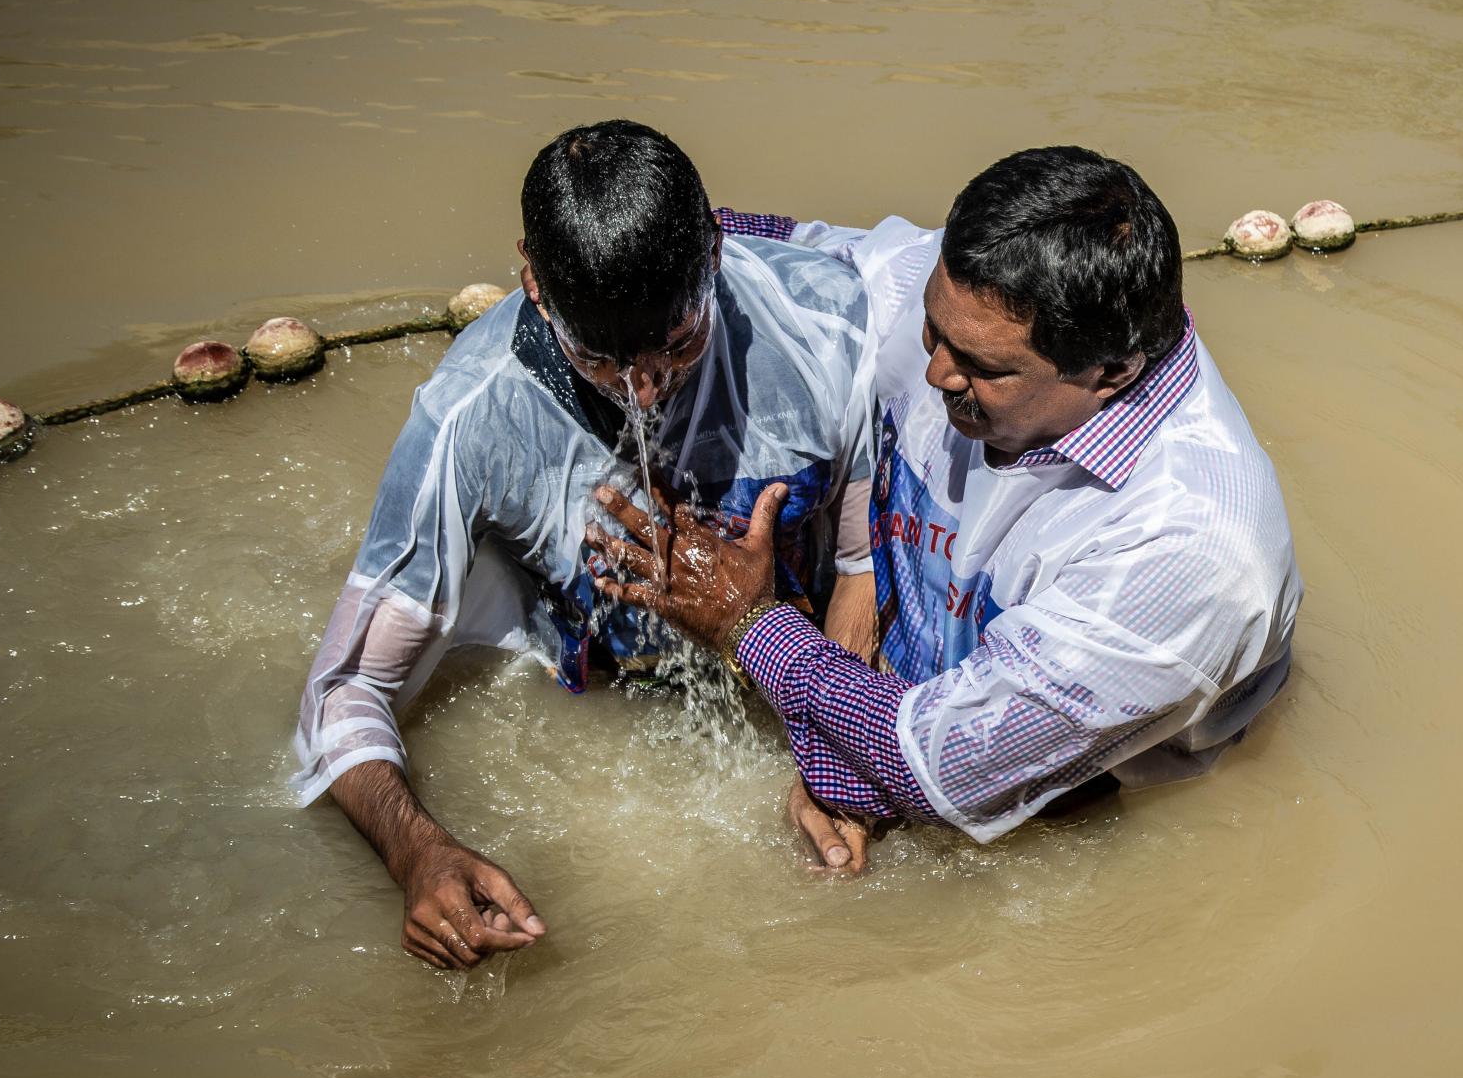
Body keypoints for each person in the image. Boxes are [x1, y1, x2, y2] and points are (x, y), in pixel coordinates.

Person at [588, 145, 1302, 867]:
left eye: (982, 367)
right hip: (904, 702)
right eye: (933, 329)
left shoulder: (1188, 549)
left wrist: (746, 622)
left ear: (1110, 371)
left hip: (1087, 818)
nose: (933, 371)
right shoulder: (975, 298)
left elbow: (942, 765)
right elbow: (788, 248)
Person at [293, 120, 879, 969]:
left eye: (679, 344)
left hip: (795, 663)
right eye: (602, 360)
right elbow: (344, 688)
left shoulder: (829, 329)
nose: (646, 389)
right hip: (605, 697)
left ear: (716, 247)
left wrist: (831, 758)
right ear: (533, 281)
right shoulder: (472, 415)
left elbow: (862, 569)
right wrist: (416, 851)